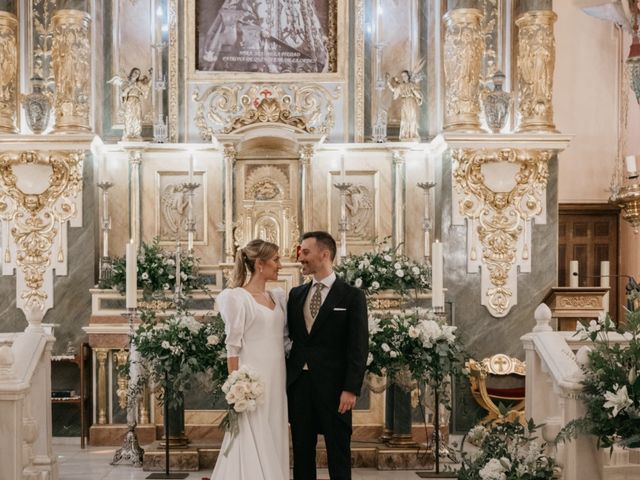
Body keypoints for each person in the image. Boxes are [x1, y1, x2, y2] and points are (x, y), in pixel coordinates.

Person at [287, 231, 369, 480]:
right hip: (300, 384)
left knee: (338, 451)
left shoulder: (352, 296)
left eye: (306, 252)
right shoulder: (296, 295)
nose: (300, 257)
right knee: (301, 452)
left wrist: (351, 389)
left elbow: (358, 346)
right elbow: (291, 339)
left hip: (335, 388)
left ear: (325, 254)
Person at [211, 239, 289, 480]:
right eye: (276, 259)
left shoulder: (278, 296)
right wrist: (237, 387)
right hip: (253, 382)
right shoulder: (238, 298)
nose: (280, 264)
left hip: (277, 377)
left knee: (274, 430)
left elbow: (285, 340)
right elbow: (232, 346)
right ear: (260, 264)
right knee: (252, 434)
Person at [386, 70, 423, 142]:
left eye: (405, 76)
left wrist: (418, 96)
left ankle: (412, 134)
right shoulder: (401, 86)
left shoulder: (412, 84)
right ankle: (405, 134)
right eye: (402, 76)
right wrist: (388, 82)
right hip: (404, 102)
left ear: (408, 76)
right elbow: (394, 90)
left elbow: (417, 93)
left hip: (411, 102)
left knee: (412, 117)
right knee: (405, 118)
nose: (403, 77)